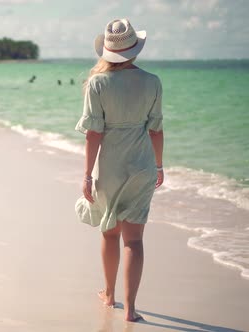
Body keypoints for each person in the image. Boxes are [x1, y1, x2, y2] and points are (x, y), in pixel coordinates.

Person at [74, 18, 164, 323]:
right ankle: (131, 309)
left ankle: (110, 296)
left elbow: (93, 134)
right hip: (142, 166)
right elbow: (156, 130)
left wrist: (87, 175)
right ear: (135, 50)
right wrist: (159, 165)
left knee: (109, 233)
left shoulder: (98, 84)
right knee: (135, 241)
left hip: (109, 168)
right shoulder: (152, 81)